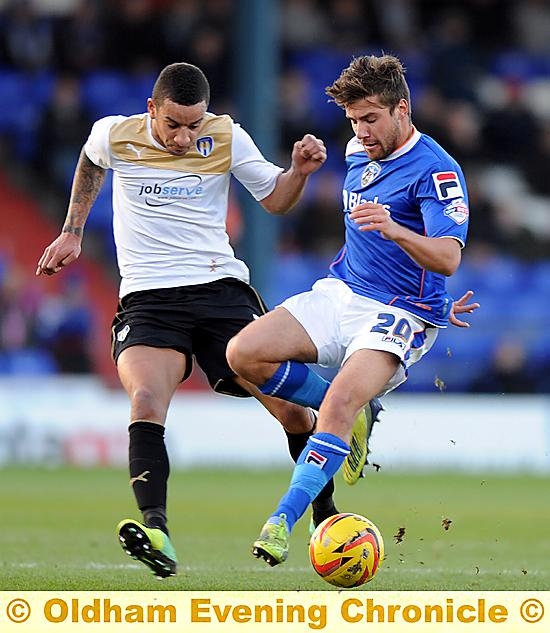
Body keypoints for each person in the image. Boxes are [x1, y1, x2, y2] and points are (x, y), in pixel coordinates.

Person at [35, 62, 380, 579]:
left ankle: (325, 517)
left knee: (288, 413)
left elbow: (276, 201)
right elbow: (90, 162)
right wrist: (72, 230)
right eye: (174, 125)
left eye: (194, 125)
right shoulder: (114, 133)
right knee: (147, 400)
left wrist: (299, 175)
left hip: (219, 290)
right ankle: (156, 529)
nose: (185, 136)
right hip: (149, 299)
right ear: (152, 109)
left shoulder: (225, 137)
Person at [226, 54, 471, 567]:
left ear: (402, 109)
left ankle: (280, 524)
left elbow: (447, 257)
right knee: (243, 353)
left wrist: (397, 229)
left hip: (399, 314)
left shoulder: (437, 170)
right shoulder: (357, 150)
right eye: (354, 121)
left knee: (335, 405)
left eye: (371, 119)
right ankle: (355, 413)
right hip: (342, 291)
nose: (361, 131)